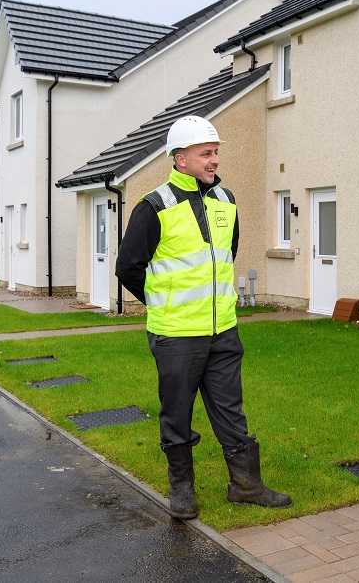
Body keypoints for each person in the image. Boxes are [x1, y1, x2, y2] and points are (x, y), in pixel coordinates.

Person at [115, 115, 291, 519]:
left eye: (216, 153)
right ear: (179, 158)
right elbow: (128, 268)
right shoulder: (153, 207)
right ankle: (182, 492)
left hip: (222, 331)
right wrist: (162, 302)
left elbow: (226, 255)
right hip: (176, 334)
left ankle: (246, 486)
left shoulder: (226, 200)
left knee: (232, 411)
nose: (214, 160)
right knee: (176, 413)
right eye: (206, 153)